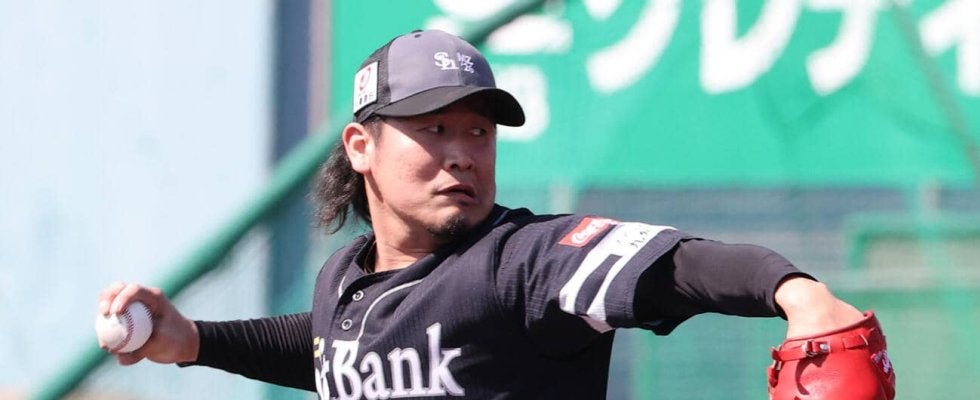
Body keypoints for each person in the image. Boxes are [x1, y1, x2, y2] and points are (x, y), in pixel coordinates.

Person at [98, 29, 895, 399]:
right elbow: (328, 348)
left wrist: (795, 292)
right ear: (361, 146)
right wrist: (194, 341)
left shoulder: (527, 262)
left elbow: (679, 264)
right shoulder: (345, 278)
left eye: (478, 131)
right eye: (434, 128)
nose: (463, 153)